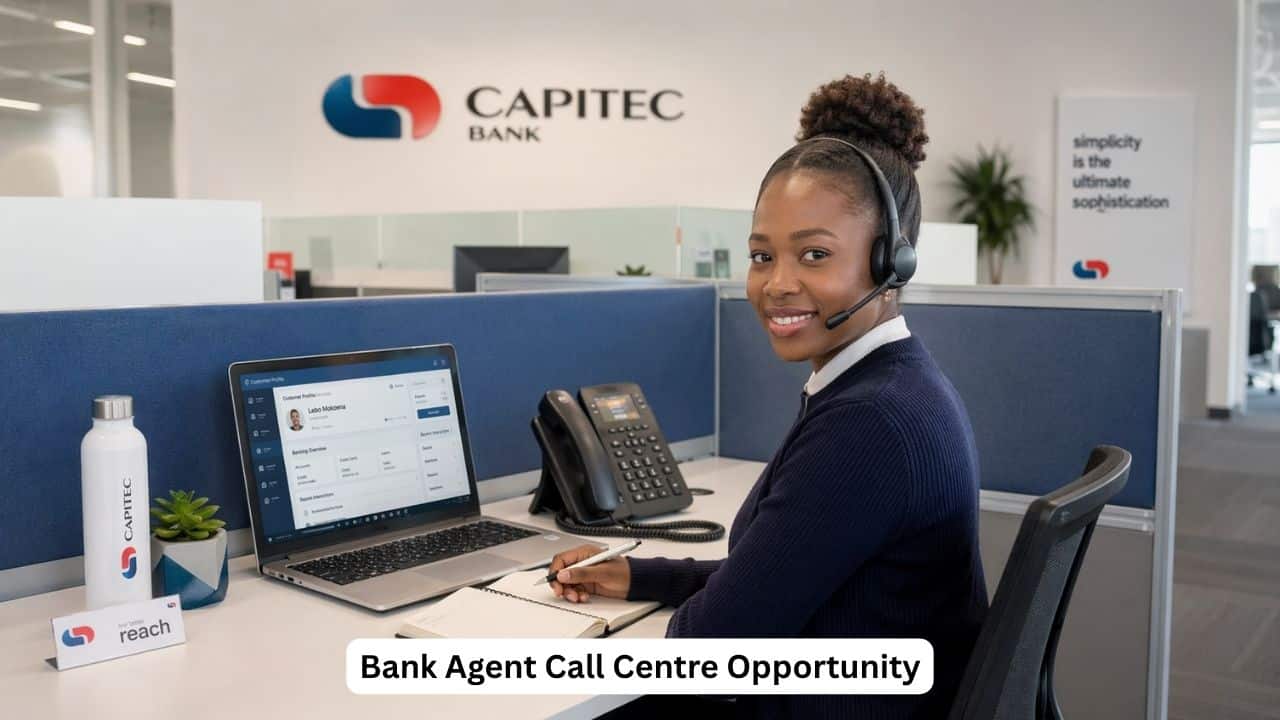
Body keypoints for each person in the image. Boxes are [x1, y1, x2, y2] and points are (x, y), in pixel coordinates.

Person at [549, 72, 988, 718]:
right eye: (762, 257)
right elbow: (778, 573)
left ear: (891, 264)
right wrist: (640, 576)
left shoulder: (870, 424)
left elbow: (709, 648)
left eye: (814, 254)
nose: (777, 284)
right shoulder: (890, 385)